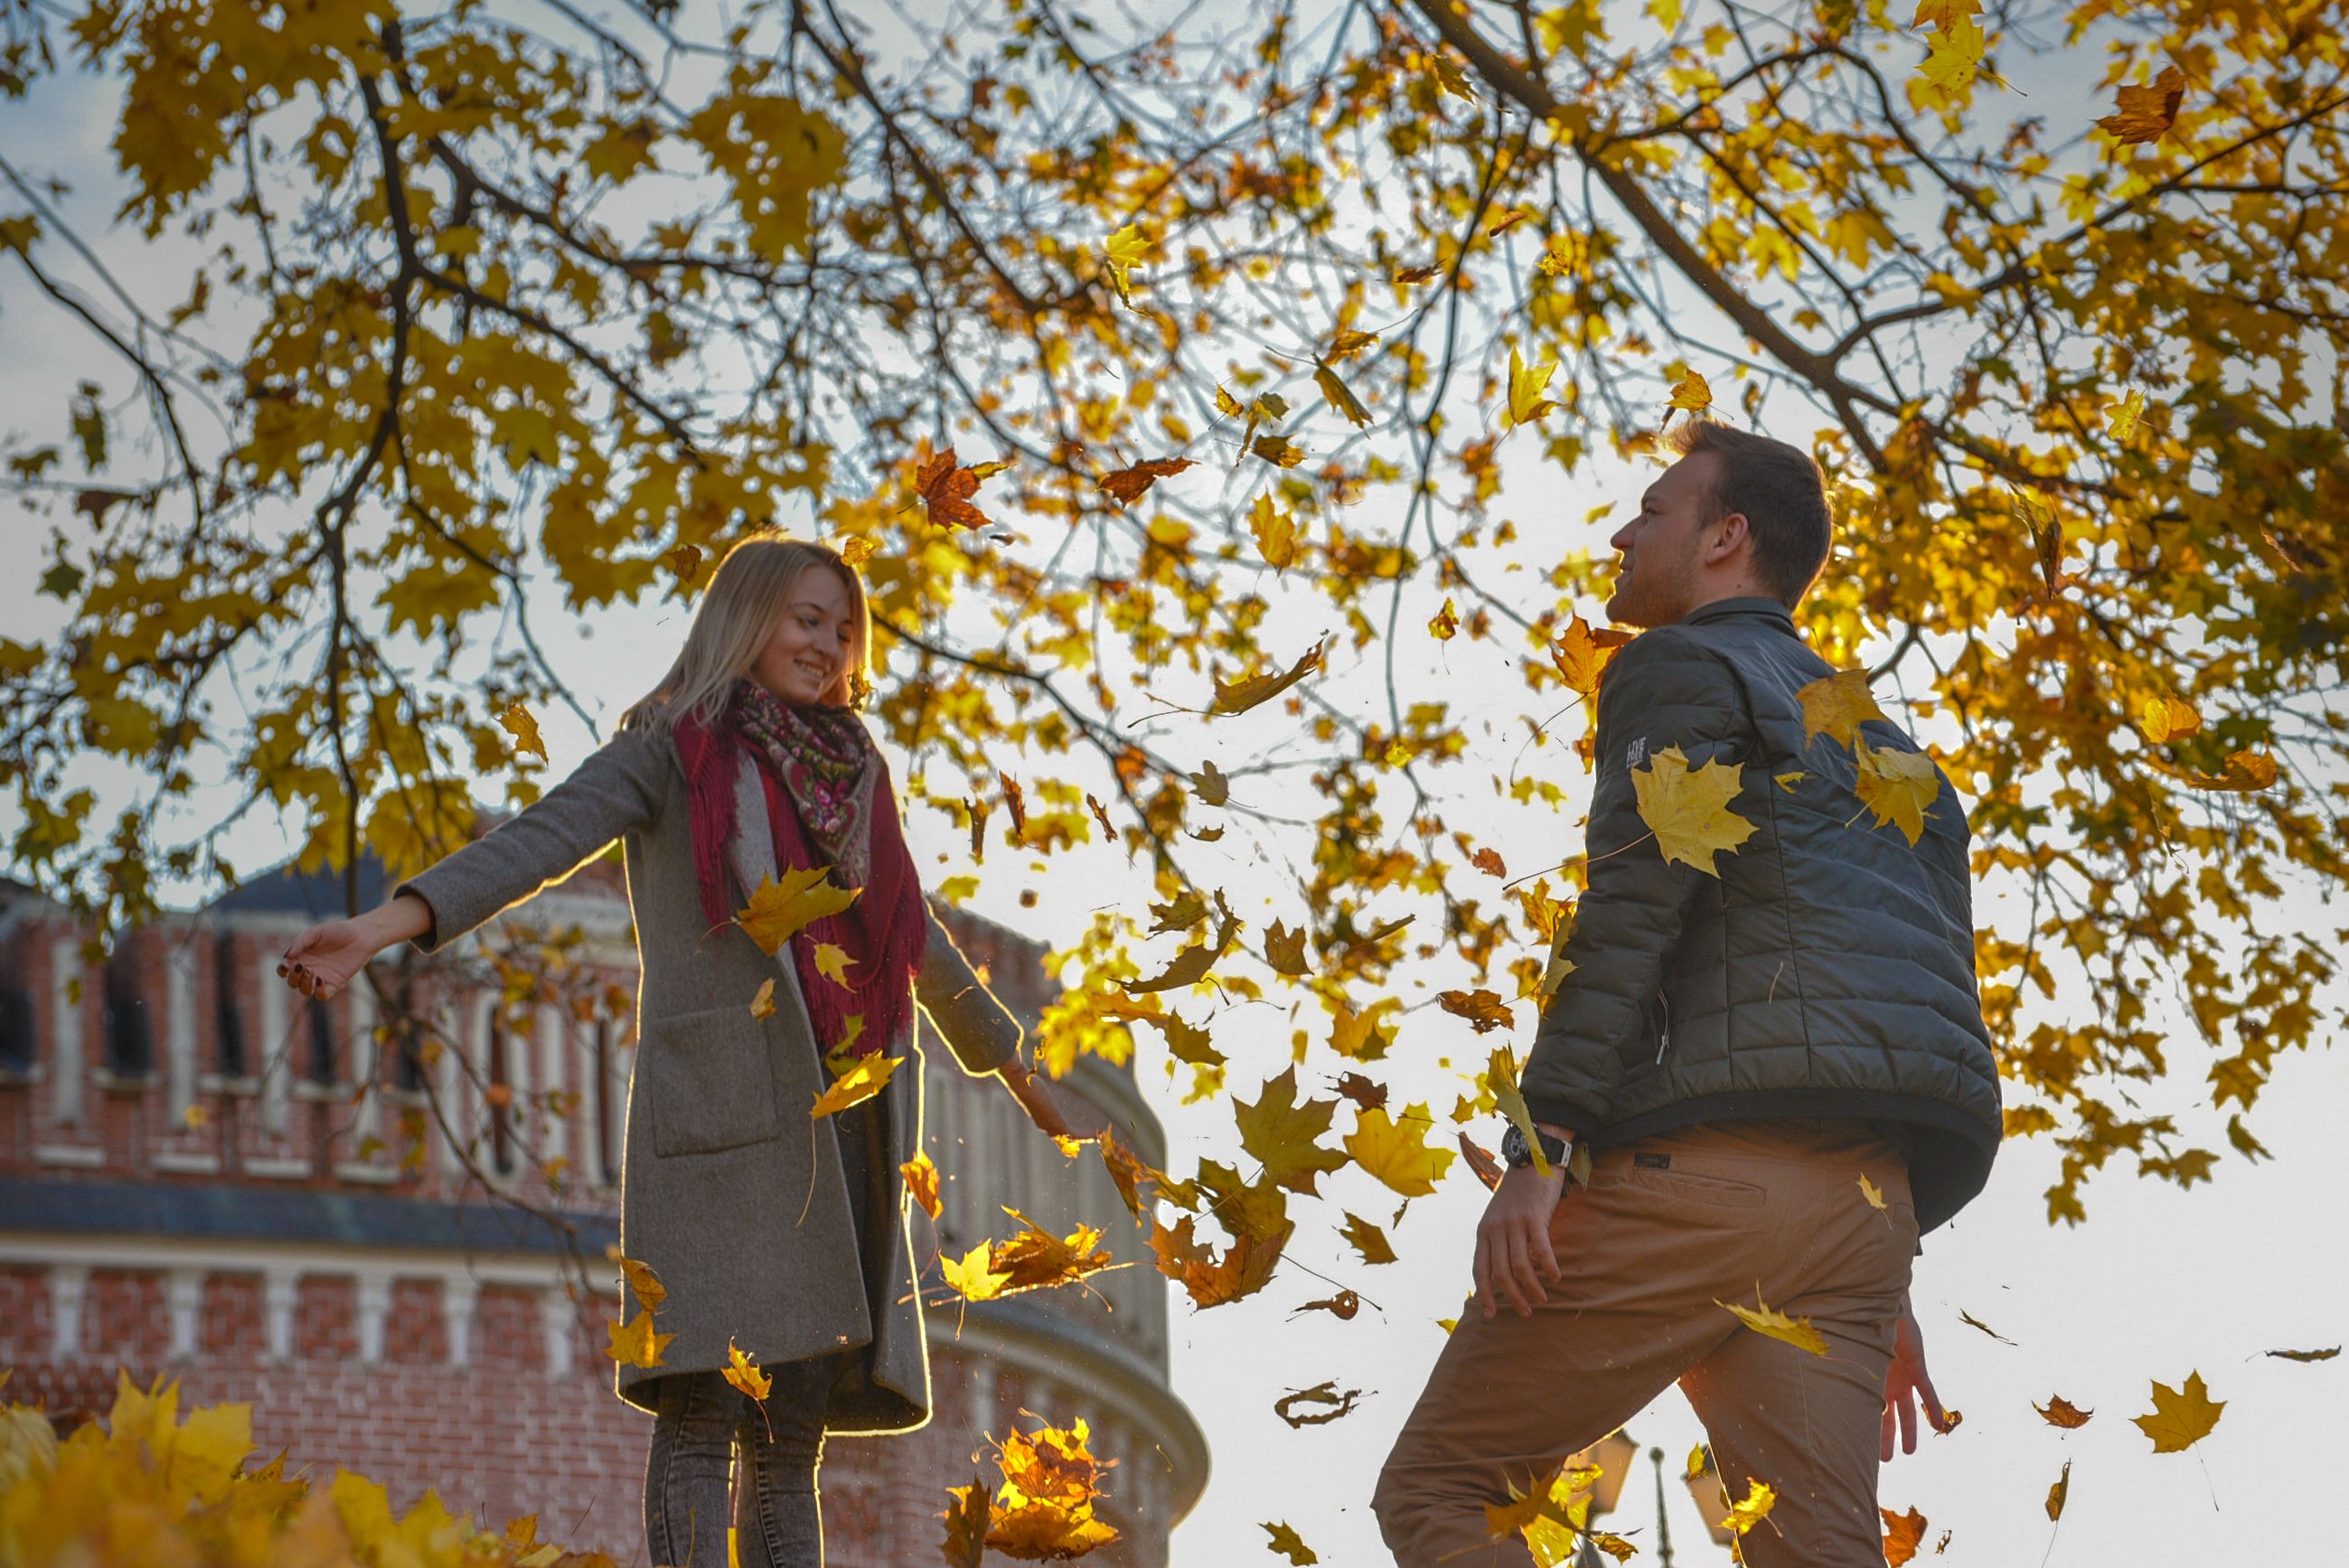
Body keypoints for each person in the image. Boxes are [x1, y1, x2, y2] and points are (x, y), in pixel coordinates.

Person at [277, 534, 1095, 1567]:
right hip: (724, 1119)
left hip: (843, 1118)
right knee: (705, 1408)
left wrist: (1015, 1068)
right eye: (807, 621)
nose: (828, 647)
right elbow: (541, 839)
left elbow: (909, 932)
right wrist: (387, 925)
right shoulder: (672, 746)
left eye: (844, 632)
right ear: (746, 617)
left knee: (791, 1434)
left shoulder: (855, 771)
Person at [1372, 421, 2002, 1566]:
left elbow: (1628, 918)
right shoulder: (1894, 750)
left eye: (1654, 507)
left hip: (1697, 1181)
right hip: (1859, 1213)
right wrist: (1882, 1263)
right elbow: (1905, 998)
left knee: (1444, 1490)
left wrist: (1540, 1146)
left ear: (1725, 537)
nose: (1622, 529)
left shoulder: (1679, 665)